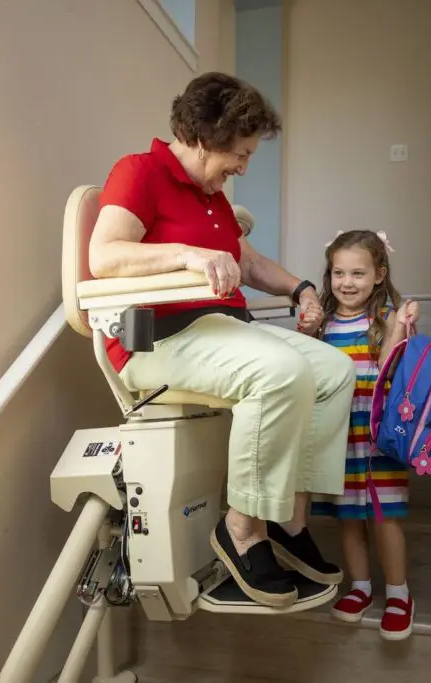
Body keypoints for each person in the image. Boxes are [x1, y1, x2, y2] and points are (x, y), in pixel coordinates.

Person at [88, 72, 355, 608]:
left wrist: (301, 286)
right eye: (240, 153)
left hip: (224, 330)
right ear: (204, 136)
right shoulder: (139, 172)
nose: (242, 166)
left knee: (333, 373)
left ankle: (286, 521)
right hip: (159, 338)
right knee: (280, 372)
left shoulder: (214, 197)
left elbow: (247, 262)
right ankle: (241, 529)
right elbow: (104, 255)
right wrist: (187, 254)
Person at [308, 229, 419, 641]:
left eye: (358, 272)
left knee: (384, 515)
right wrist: (307, 329)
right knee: (347, 517)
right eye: (338, 273)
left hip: (376, 433)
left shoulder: (385, 317)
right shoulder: (323, 320)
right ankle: (359, 587)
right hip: (336, 433)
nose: (347, 282)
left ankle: (398, 593)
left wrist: (403, 323)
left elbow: (393, 361)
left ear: (379, 274)